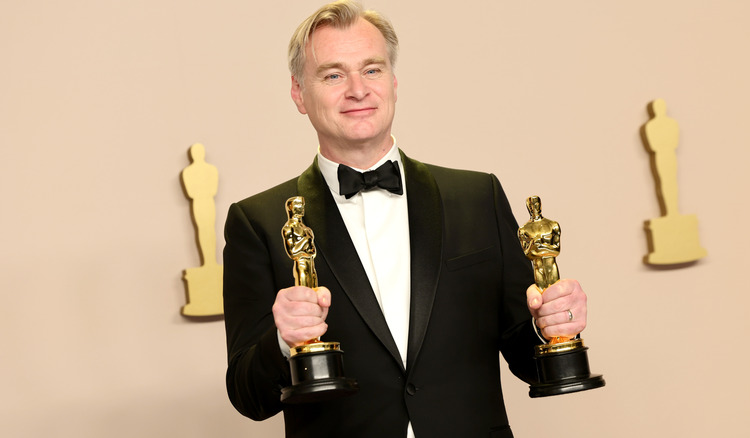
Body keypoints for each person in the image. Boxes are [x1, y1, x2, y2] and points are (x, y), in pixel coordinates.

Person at [222, 1, 588, 437]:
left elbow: (530, 359)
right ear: (299, 94)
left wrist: (554, 325)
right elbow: (248, 397)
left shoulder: (477, 197)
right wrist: (283, 340)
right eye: (333, 74)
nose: (358, 89)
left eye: (372, 70)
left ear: (394, 82)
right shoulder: (256, 222)